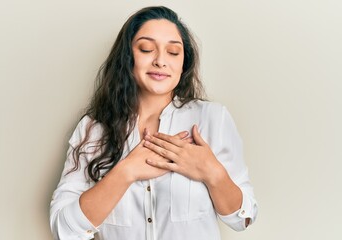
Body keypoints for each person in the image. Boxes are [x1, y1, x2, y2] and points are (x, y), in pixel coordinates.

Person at [50, 6, 258, 240]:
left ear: (183, 63)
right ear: (128, 57)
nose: (160, 61)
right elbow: (64, 230)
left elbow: (243, 218)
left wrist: (212, 172)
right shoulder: (93, 129)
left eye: (173, 52)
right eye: (147, 49)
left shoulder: (212, 119)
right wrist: (125, 172)